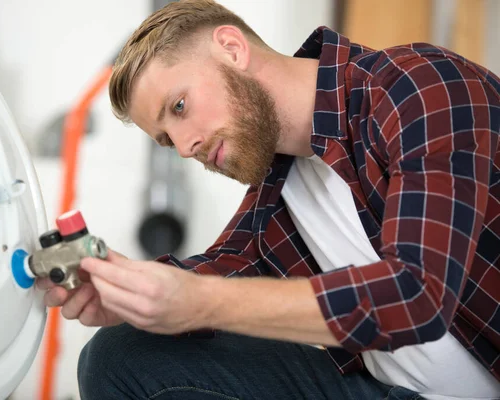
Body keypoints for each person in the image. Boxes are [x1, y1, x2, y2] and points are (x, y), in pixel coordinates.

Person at [38, 0, 500, 398]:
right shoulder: (277, 188)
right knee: (117, 356)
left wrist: (201, 300)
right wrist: (120, 291)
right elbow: (213, 270)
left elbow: (417, 296)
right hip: (383, 392)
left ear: (232, 48)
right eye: (165, 140)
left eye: (179, 108)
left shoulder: (418, 87)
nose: (183, 147)